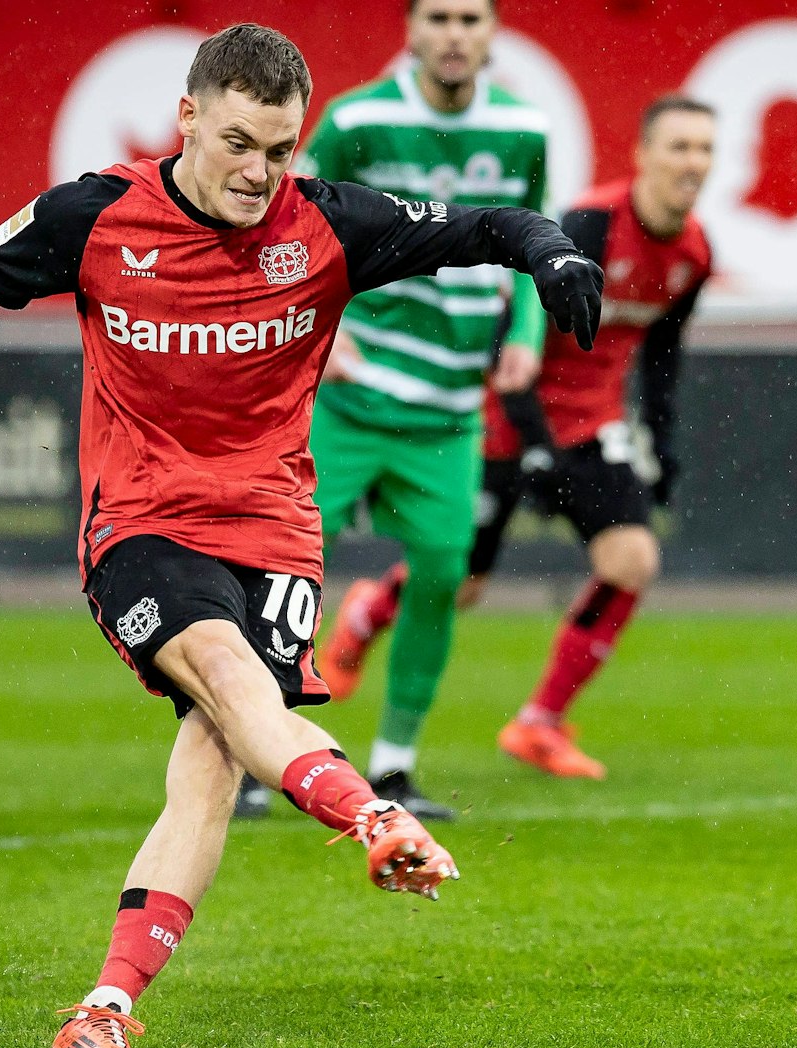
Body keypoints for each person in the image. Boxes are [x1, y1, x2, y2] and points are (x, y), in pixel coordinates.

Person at [0, 23, 602, 1048]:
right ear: (187, 118)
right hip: (142, 522)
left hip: (276, 529)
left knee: (208, 767)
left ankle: (98, 1015)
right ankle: (366, 812)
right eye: (240, 143)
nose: (260, 173)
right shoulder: (97, 216)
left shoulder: (329, 225)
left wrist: (552, 255)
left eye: (281, 150)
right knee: (233, 683)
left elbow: (492, 222)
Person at [341, 94, 713, 780]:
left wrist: (662, 445)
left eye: (705, 149)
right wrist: (535, 442)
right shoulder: (592, 224)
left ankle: (539, 722)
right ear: (643, 155)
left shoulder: (693, 253)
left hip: (592, 423)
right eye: (679, 146)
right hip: (511, 414)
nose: (693, 162)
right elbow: (510, 327)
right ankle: (370, 610)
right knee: (464, 583)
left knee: (632, 561)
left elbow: (663, 359)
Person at [263, 0, 551, 822]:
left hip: (451, 412)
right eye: (439, 17)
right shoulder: (358, 119)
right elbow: (287, 221)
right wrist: (325, 328)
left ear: (492, 31)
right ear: (412, 30)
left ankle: (392, 768)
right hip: (350, 398)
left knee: (440, 580)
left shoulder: (525, 128)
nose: (455, 34)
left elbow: (532, 241)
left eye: (470, 18)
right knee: (281, 577)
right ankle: (262, 753)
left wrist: (526, 330)